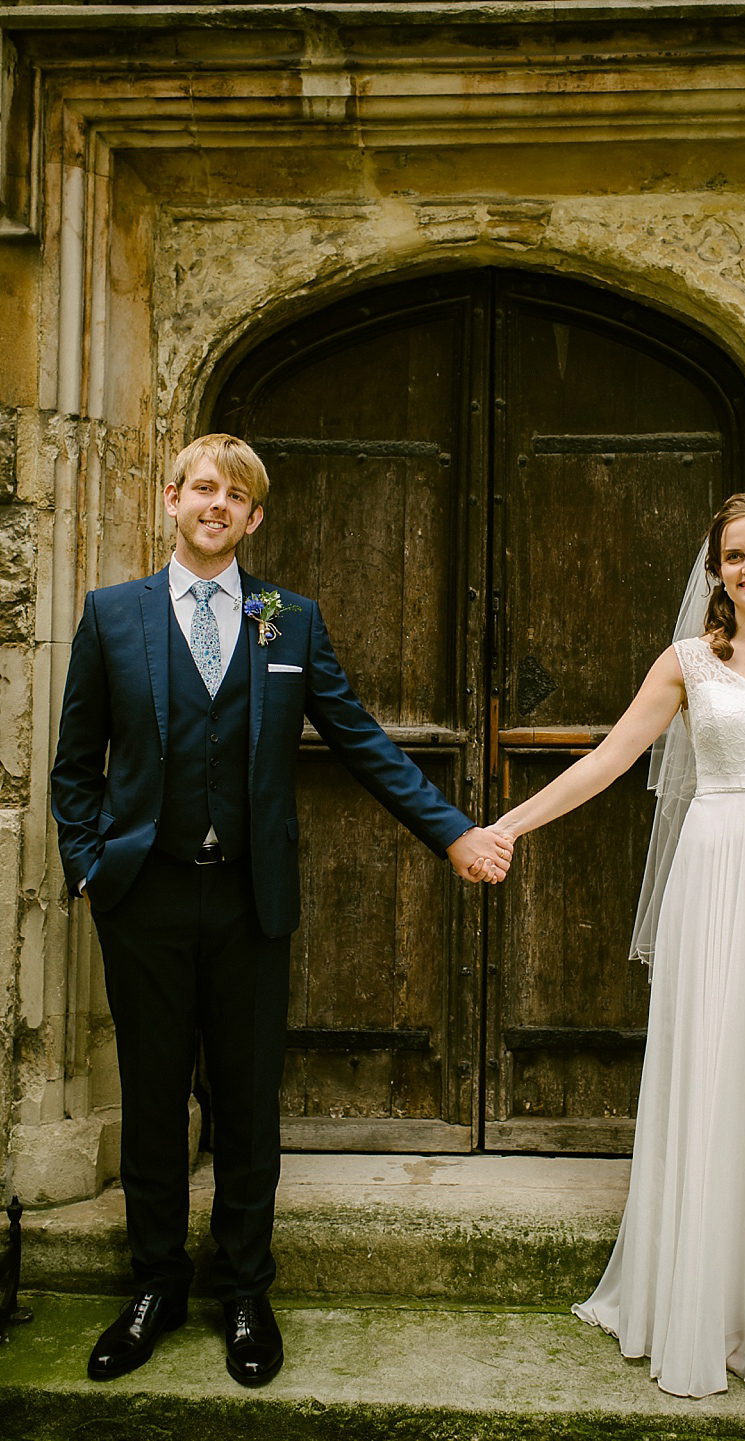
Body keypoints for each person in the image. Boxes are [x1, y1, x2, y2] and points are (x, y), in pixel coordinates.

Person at [51, 434, 514, 1387]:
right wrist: (92, 867)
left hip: (252, 901)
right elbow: (73, 766)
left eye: (238, 496)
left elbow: (363, 744)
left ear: (254, 519)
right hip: (144, 896)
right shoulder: (111, 616)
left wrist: (454, 832)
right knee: (149, 1097)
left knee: (250, 1098)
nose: (218, 505)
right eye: (203, 489)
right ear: (171, 499)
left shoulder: (287, 621)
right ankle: (155, 1284)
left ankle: (246, 1290)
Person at [479, 492, 745, 1397]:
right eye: (733, 558)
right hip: (715, 880)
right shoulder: (686, 663)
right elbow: (606, 759)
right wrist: (510, 824)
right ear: (717, 573)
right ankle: (709, 1297)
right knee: (721, 1073)